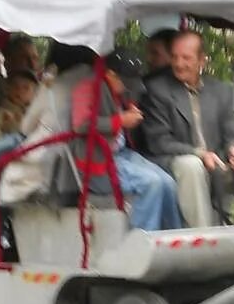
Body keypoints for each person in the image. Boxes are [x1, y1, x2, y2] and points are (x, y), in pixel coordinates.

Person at [143, 30, 234, 226]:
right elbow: (159, 142)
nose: (179, 64)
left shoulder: (222, 90)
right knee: (192, 165)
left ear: (202, 61)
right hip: (177, 166)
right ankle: (203, 241)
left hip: (218, 165)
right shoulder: (156, 90)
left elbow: (233, 131)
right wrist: (200, 154)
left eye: (186, 58)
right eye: (175, 57)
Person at [70, 52, 182, 231]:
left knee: (167, 182)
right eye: (125, 81)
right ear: (110, 74)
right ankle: (140, 244)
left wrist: (131, 111)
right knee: (151, 184)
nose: (128, 87)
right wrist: (120, 120)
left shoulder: (118, 91)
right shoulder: (87, 87)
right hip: (99, 162)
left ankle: (175, 238)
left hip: (122, 154)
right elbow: (81, 124)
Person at [0, 67, 39, 187]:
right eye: (15, 87)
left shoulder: (36, 113)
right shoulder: (0, 113)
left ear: (34, 93)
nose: (19, 91)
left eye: (26, 88)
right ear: (8, 89)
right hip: (8, 154)